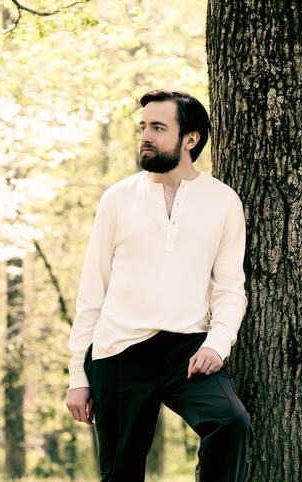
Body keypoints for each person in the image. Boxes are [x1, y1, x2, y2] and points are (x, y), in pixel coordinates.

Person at [65, 90, 250, 481]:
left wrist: (217, 344)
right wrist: (78, 376)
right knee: (122, 472)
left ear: (191, 139)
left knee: (230, 422)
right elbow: (92, 291)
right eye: (143, 127)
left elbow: (230, 288)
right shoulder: (117, 199)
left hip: (187, 350)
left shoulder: (223, 201)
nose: (146, 136)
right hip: (118, 351)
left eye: (158, 128)